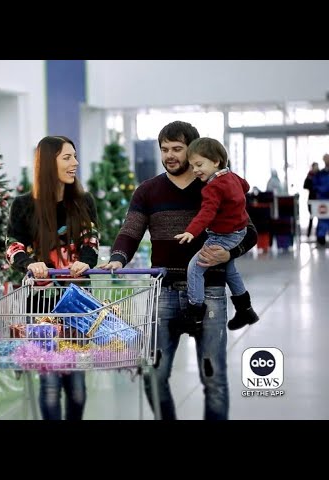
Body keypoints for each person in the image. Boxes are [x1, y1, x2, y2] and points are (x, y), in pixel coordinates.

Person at [99, 121, 257, 420]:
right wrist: (118, 258)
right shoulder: (148, 191)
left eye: (177, 149)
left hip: (210, 292)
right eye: (164, 149)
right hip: (164, 294)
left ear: (194, 150)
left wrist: (229, 253)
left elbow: (248, 231)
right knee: (153, 374)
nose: (169, 155)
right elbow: (130, 231)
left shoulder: (217, 186)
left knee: (214, 377)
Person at [5, 135, 100, 420]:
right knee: (49, 386)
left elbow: (91, 240)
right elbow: (12, 247)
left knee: (77, 389)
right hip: (40, 307)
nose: (75, 163)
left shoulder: (83, 202)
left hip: (77, 304)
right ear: (48, 163)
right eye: (67, 157)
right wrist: (29, 264)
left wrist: (85, 262)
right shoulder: (23, 205)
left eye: (75, 156)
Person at [173, 137, 259, 331]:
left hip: (222, 237)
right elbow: (246, 186)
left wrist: (191, 231)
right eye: (192, 166)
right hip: (239, 232)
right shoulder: (231, 176)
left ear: (216, 161)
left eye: (199, 165)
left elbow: (207, 212)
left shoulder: (213, 187)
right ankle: (245, 310)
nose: (195, 170)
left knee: (195, 269)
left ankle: (194, 314)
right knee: (230, 270)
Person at [313, 154, 329, 246]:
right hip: (322, 201)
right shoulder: (320, 174)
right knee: (322, 220)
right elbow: (315, 186)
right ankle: (321, 238)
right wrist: (322, 190)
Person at [303, 162, 319, 238]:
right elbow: (305, 186)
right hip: (312, 199)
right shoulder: (310, 175)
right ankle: (308, 234)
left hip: (319, 199)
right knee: (311, 216)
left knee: (320, 217)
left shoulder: (320, 175)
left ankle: (318, 234)